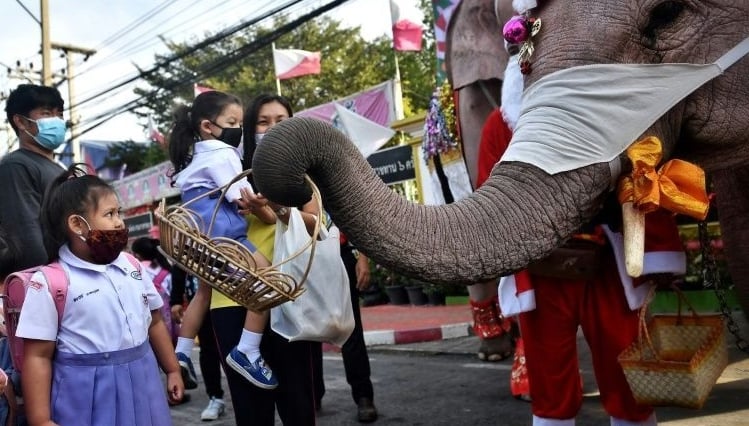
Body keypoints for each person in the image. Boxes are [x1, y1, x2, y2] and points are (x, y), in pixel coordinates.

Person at [16, 164, 184, 426]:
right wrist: (41, 420)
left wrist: (172, 369)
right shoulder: (51, 282)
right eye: (110, 214)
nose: (119, 221)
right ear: (76, 224)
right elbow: (37, 356)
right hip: (86, 395)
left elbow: (156, 321)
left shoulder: (132, 266)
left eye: (120, 212)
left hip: (144, 382)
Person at [167, 90, 279, 391]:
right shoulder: (222, 153)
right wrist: (258, 200)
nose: (238, 129)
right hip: (225, 237)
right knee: (269, 282)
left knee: (203, 293)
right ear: (207, 125)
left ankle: (181, 354)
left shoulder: (192, 156)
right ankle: (248, 350)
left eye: (240, 123)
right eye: (232, 122)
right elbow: (239, 195)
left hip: (200, 240)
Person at [311, 227, 378, 422]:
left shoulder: (340, 194)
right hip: (306, 257)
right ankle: (312, 394)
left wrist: (363, 259)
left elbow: (356, 218)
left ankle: (364, 396)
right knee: (307, 329)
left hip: (340, 254)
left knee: (351, 329)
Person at [0, 84, 66, 271]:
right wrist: (52, 280)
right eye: (46, 114)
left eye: (59, 114)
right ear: (20, 122)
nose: (57, 121)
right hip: (51, 283)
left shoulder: (59, 168)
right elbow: (26, 237)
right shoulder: (16, 166)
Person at [170, 266, 227, 421]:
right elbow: (180, 262)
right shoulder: (188, 246)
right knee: (208, 351)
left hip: (230, 301)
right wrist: (176, 299)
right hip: (200, 303)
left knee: (234, 353)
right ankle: (215, 397)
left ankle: (246, 398)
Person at [131, 237, 178, 345]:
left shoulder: (135, 269)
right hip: (168, 319)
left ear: (137, 255)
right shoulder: (166, 270)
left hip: (145, 322)